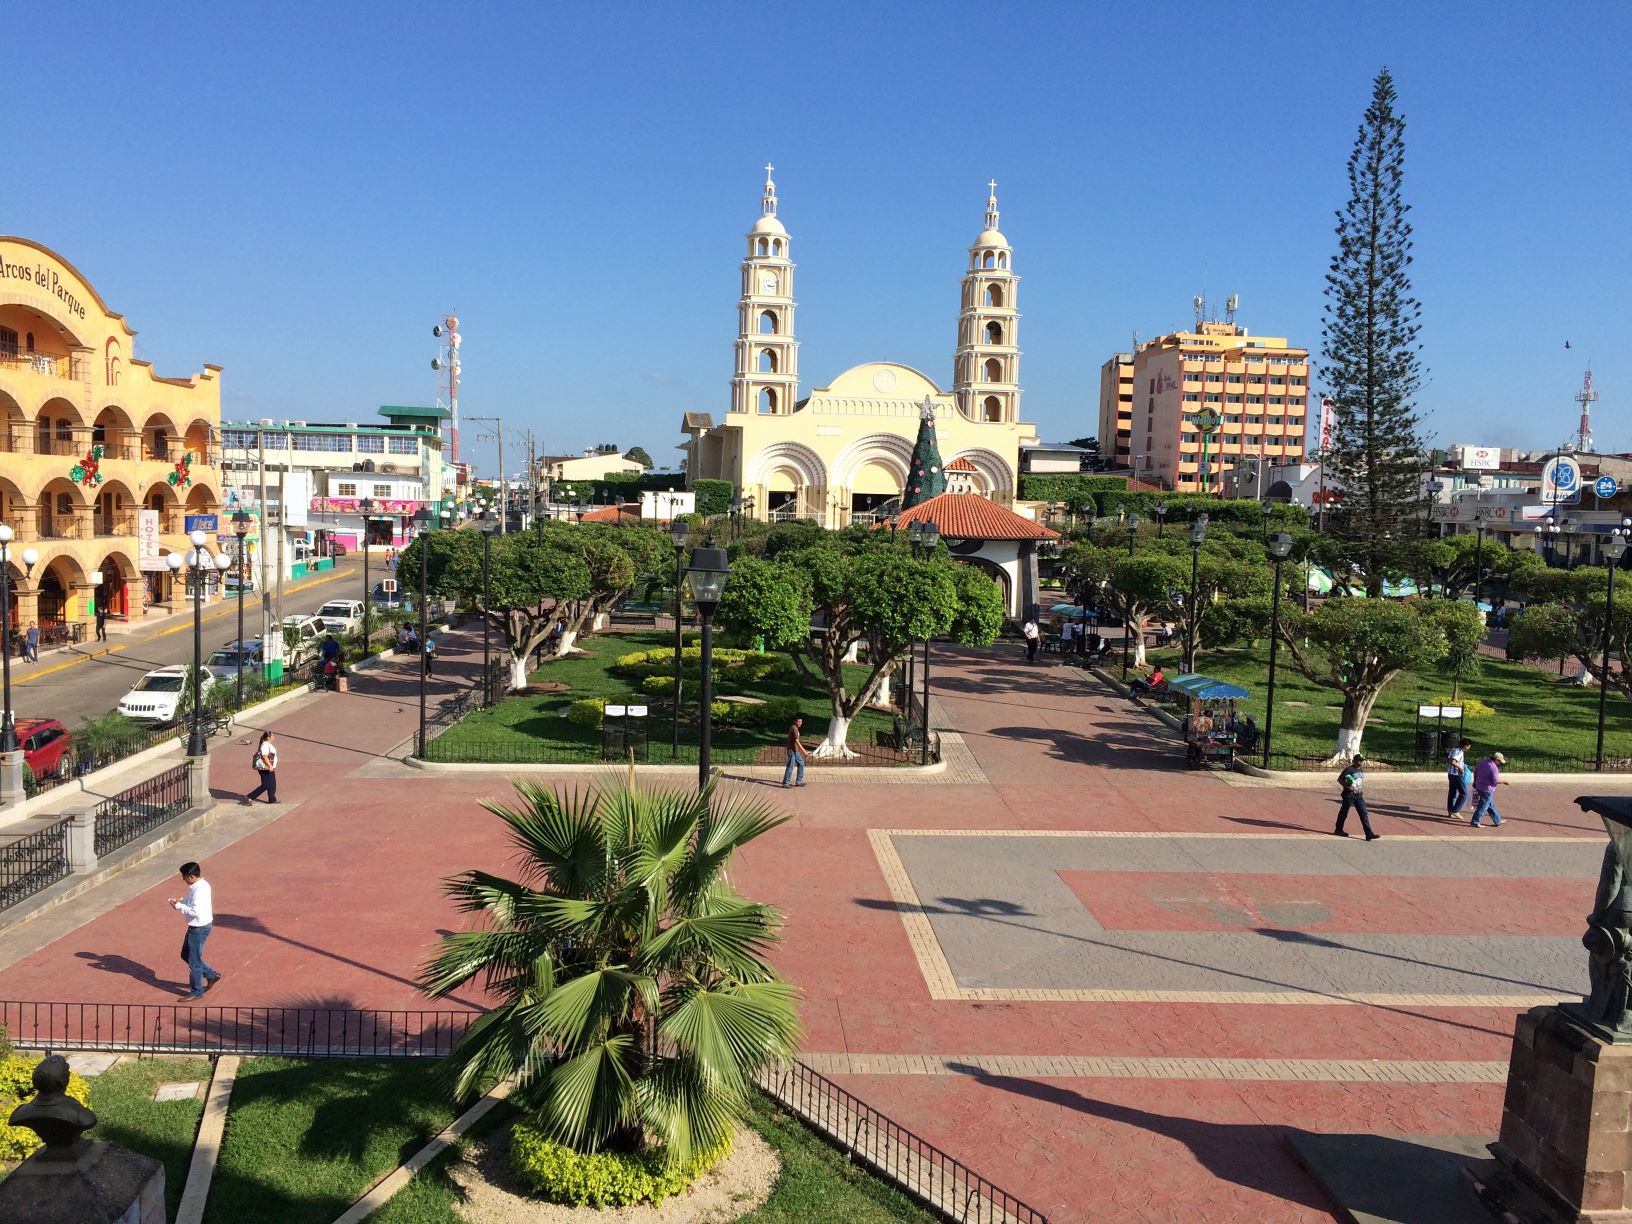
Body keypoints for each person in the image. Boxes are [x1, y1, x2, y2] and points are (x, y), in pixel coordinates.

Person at [167, 861, 220, 999]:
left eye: (183, 876)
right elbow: (192, 902)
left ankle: (196, 992)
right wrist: (182, 901)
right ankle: (211, 975)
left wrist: (179, 907)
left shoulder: (199, 889)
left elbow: (195, 911)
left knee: (194, 960)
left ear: (190, 876)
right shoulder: (198, 886)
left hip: (199, 928)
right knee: (186, 954)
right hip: (197, 927)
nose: (183, 879)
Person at [1335, 754, 1379, 840]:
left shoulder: (1361, 770)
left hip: (1358, 795)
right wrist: (1347, 787)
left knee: (1363, 814)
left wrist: (1361, 791)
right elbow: (1340, 779)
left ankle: (1368, 833)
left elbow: (1360, 781)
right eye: (1359, 760)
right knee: (1344, 812)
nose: (1360, 762)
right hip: (1349, 795)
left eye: (1362, 760)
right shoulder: (1349, 769)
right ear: (1354, 761)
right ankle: (1338, 829)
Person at [1470, 750, 1509, 828]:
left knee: (1490, 804)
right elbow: (1495, 780)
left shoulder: (1482, 762)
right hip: (1487, 789)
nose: (1500, 763)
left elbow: (1475, 772)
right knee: (1483, 806)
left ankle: (1497, 820)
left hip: (1479, 786)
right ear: (1496, 760)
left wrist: (1475, 781)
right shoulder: (1494, 767)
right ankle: (1475, 822)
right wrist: (1505, 782)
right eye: (1500, 761)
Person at [243, 731, 278, 805]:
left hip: (269, 768)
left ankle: (272, 799)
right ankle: (250, 796)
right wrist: (270, 766)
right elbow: (264, 756)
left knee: (272, 784)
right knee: (265, 785)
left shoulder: (267, 744)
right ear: (268, 737)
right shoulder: (265, 745)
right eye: (272, 736)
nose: (273, 737)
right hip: (265, 768)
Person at [1446, 738, 1473, 819]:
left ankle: (1450, 811)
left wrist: (1463, 765)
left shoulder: (1454, 749)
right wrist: (1460, 768)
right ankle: (1455, 810)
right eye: (1469, 746)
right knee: (1464, 793)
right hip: (1456, 775)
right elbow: (1453, 762)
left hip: (1451, 774)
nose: (1469, 748)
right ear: (1466, 746)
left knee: (1452, 793)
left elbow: (1449, 759)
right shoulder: (1459, 751)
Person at [781, 715, 808, 788]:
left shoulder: (796, 728)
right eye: (798, 721)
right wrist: (804, 751)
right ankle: (785, 783)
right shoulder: (794, 728)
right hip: (791, 750)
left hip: (796, 750)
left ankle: (798, 782)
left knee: (801, 763)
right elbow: (796, 741)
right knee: (790, 766)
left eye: (801, 721)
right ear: (795, 721)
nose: (800, 723)